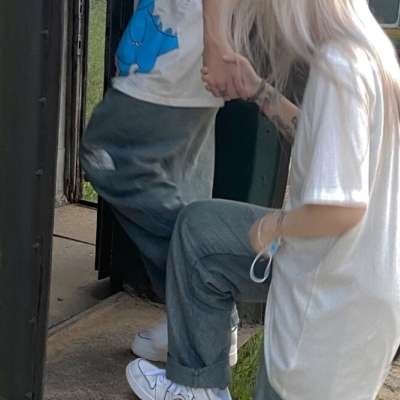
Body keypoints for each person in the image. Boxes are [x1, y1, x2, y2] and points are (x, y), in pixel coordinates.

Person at [125, 0, 400, 399]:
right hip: (360, 282)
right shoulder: (367, 51)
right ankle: (197, 386)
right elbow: (325, 142)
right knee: (200, 230)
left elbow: (341, 208)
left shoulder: (338, 67)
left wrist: (275, 227)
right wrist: (259, 92)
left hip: (328, 302)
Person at [79, 0, 241, 366]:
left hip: (180, 46)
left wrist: (215, 42)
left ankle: (207, 310)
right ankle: (194, 323)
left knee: (110, 157)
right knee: (180, 183)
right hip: (188, 43)